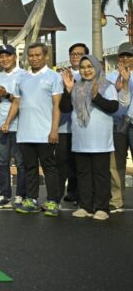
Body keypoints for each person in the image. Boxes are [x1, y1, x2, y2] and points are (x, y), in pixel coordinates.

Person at [2, 42, 62, 217]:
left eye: (38, 55)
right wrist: (7, 122)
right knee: (30, 168)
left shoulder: (54, 77)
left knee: (49, 168)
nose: (34, 58)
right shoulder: (22, 78)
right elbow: (16, 102)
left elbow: (56, 106)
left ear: (46, 56)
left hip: (45, 133)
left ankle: (53, 201)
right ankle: (32, 200)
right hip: (25, 133)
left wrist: (54, 130)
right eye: (31, 55)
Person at [60, 55, 118, 220]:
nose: (86, 70)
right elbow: (65, 108)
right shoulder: (76, 86)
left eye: (89, 66)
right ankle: (85, 206)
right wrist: (68, 90)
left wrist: (96, 97)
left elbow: (113, 107)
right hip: (81, 139)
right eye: (83, 67)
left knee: (101, 174)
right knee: (83, 173)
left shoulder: (107, 85)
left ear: (96, 67)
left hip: (100, 141)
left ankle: (102, 207)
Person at [0, 44, 26, 209]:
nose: (4, 59)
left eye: (8, 56)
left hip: (19, 126)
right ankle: (5, 195)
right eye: (1, 56)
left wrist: (6, 94)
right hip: (0, 125)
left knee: (20, 163)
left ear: (15, 57)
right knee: (2, 163)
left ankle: (21, 195)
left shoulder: (24, 75)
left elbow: (24, 101)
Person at [56, 43, 88, 205]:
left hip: (82, 128)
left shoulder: (89, 75)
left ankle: (77, 194)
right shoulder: (60, 75)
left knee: (79, 163)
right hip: (63, 128)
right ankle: (56, 197)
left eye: (79, 54)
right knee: (62, 163)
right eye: (73, 54)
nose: (76, 56)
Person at [105, 42, 133, 214]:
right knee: (115, 164)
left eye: (129, 56)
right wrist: (121, 81)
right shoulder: (110, 77)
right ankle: (116, 199)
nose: (125, 59)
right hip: (118, 123)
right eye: (122, 55)